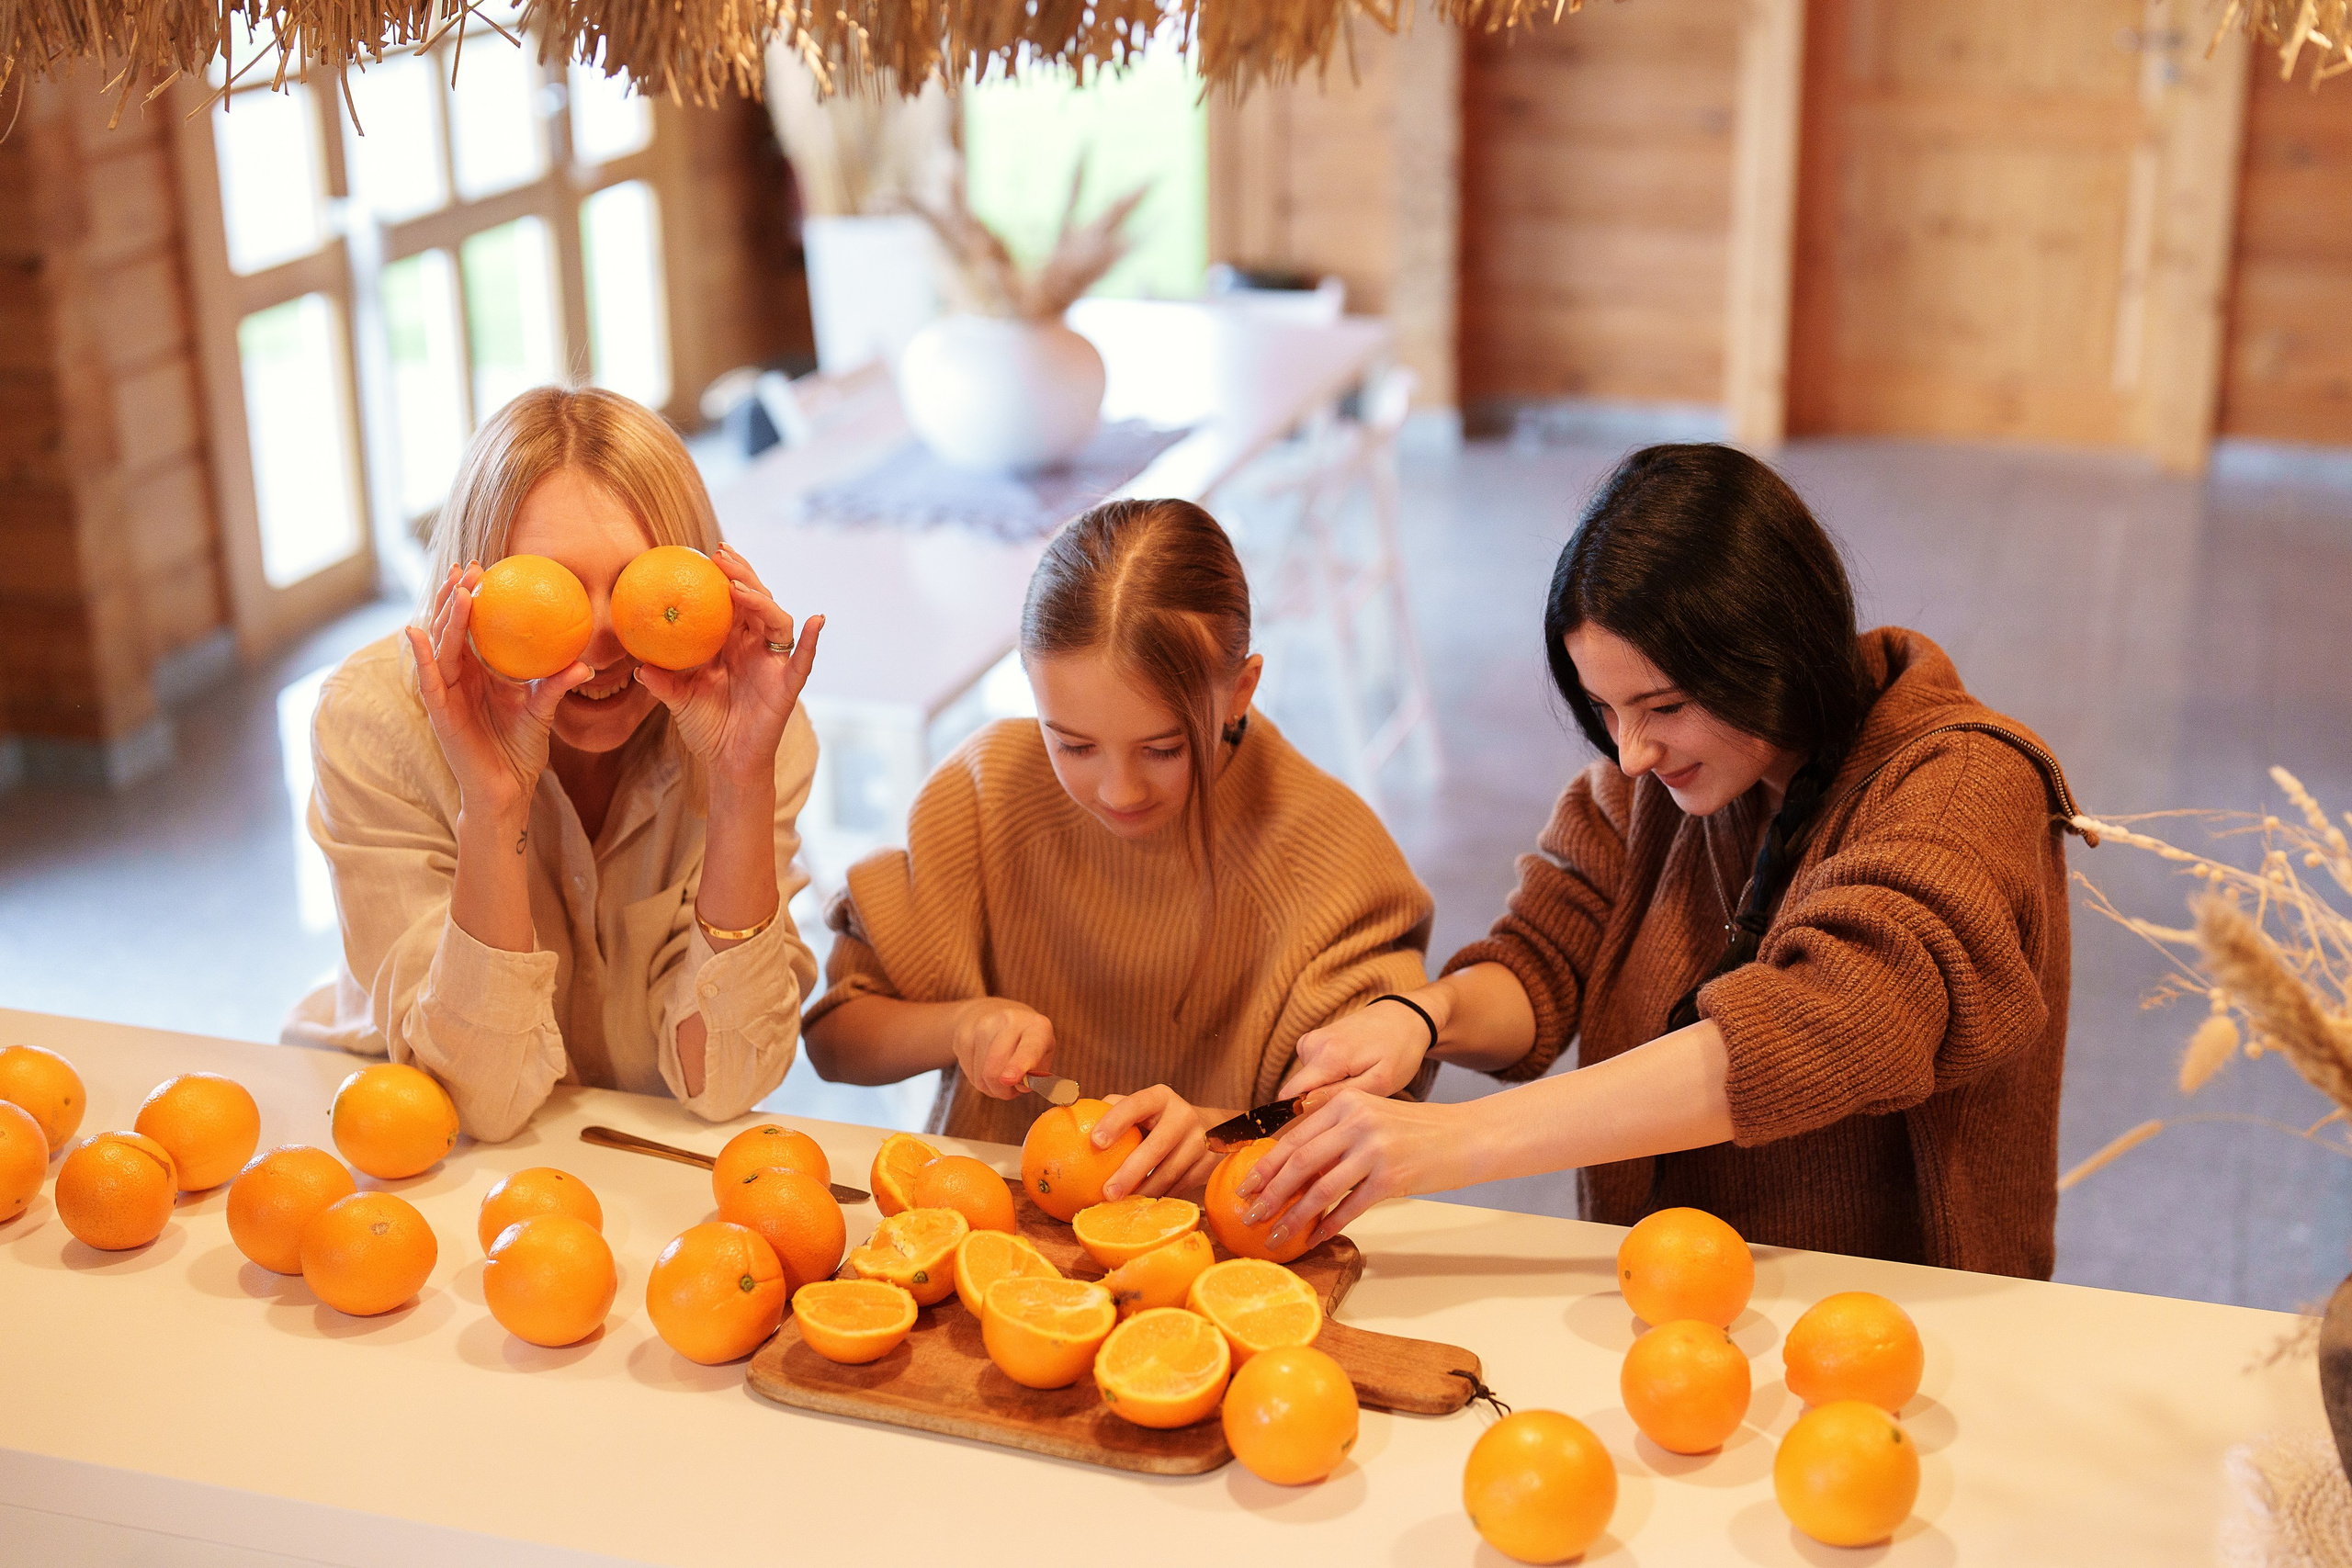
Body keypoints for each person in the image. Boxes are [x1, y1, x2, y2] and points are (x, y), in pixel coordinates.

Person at [1242, 443, 2088, 1278]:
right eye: (1606, 709)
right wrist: (1423, 1017)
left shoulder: (1965, 783)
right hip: (1674, 1292)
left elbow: (1826, 1019)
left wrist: (1454, 1141)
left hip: (1893, 1318)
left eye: (1665, 706)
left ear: (1774, 650)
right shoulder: (1648, 786)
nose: (1634, 753)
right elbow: (1544, 961)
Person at [801, 498, 1435, 1198]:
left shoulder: (1333, 858)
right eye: (1073, 744)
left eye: (1164, 748)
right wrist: (960, 1025)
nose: (1119, 791)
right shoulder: (985, 794)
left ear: (1240, 690)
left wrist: (1222, 1133)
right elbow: (834, 1039)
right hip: (988, 1229)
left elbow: (1371, 1123)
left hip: (1227, 1255)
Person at [283, 387, 824, 1141]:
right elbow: (479, 1099)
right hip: (398, 1136)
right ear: (469, 590)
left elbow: (727, 1082)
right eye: (554, 593)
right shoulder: (376, 721)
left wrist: (739, 784)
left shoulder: (754, 730)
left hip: (623, 1152)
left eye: (638, 587)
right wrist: (492, 802)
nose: (601, 645)